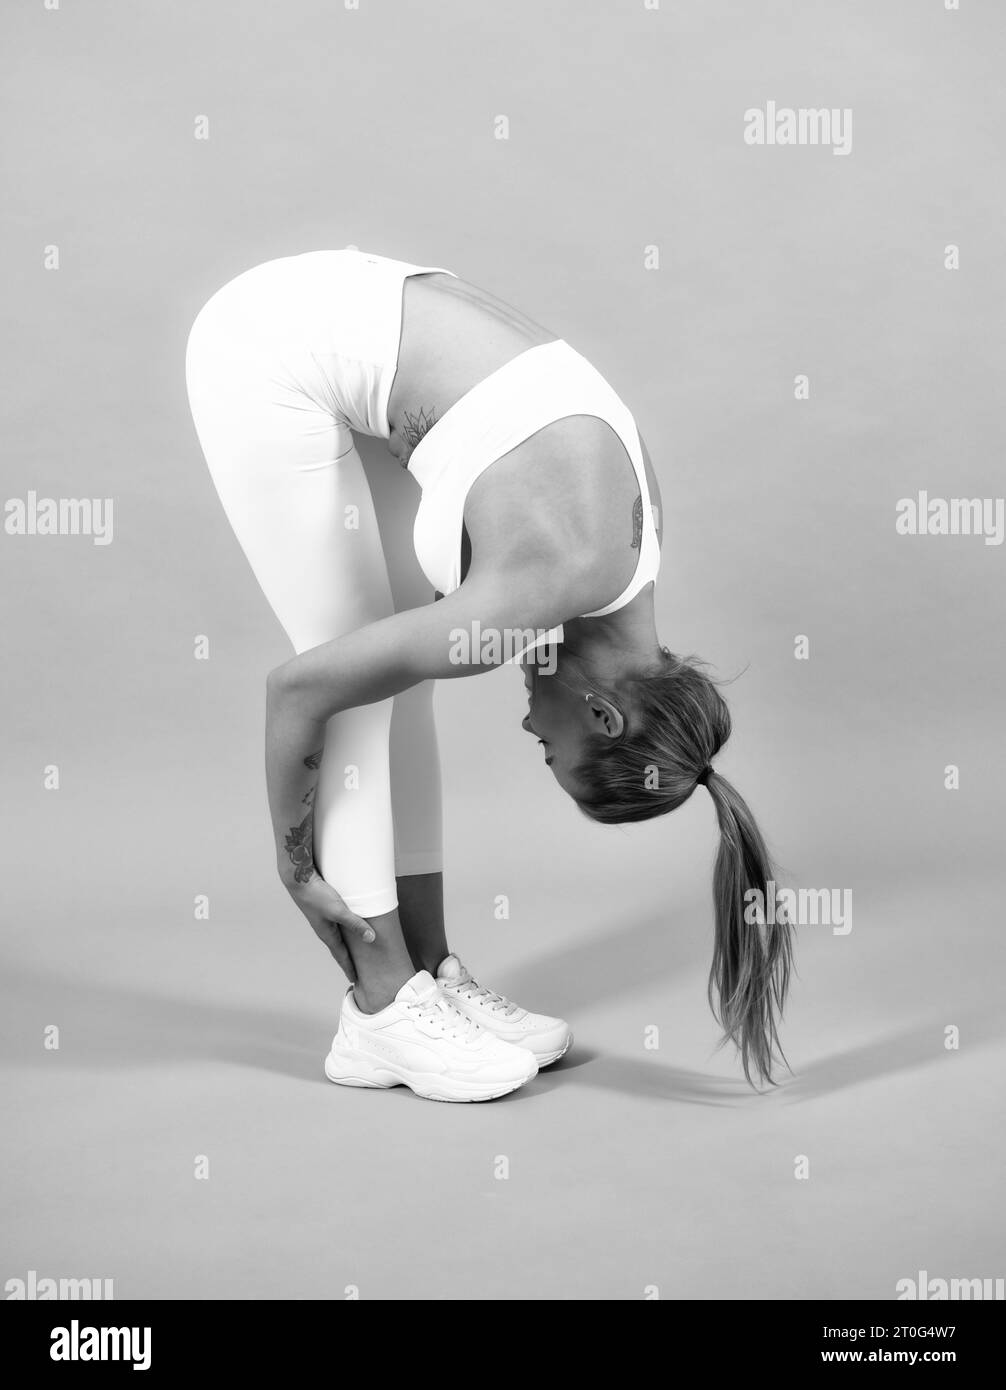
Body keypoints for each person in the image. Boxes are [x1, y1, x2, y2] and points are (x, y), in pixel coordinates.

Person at [184, 248, 792, 1103]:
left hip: (353, 313)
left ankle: (427, 967)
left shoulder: (632, 553)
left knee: (400, 674)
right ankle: (381, 1006)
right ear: (606, 716)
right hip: (264, 344)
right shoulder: (542, 585)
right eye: (554, 752)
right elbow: (299, 689)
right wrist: (296, 869)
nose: (530, 732)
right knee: (350, 685)